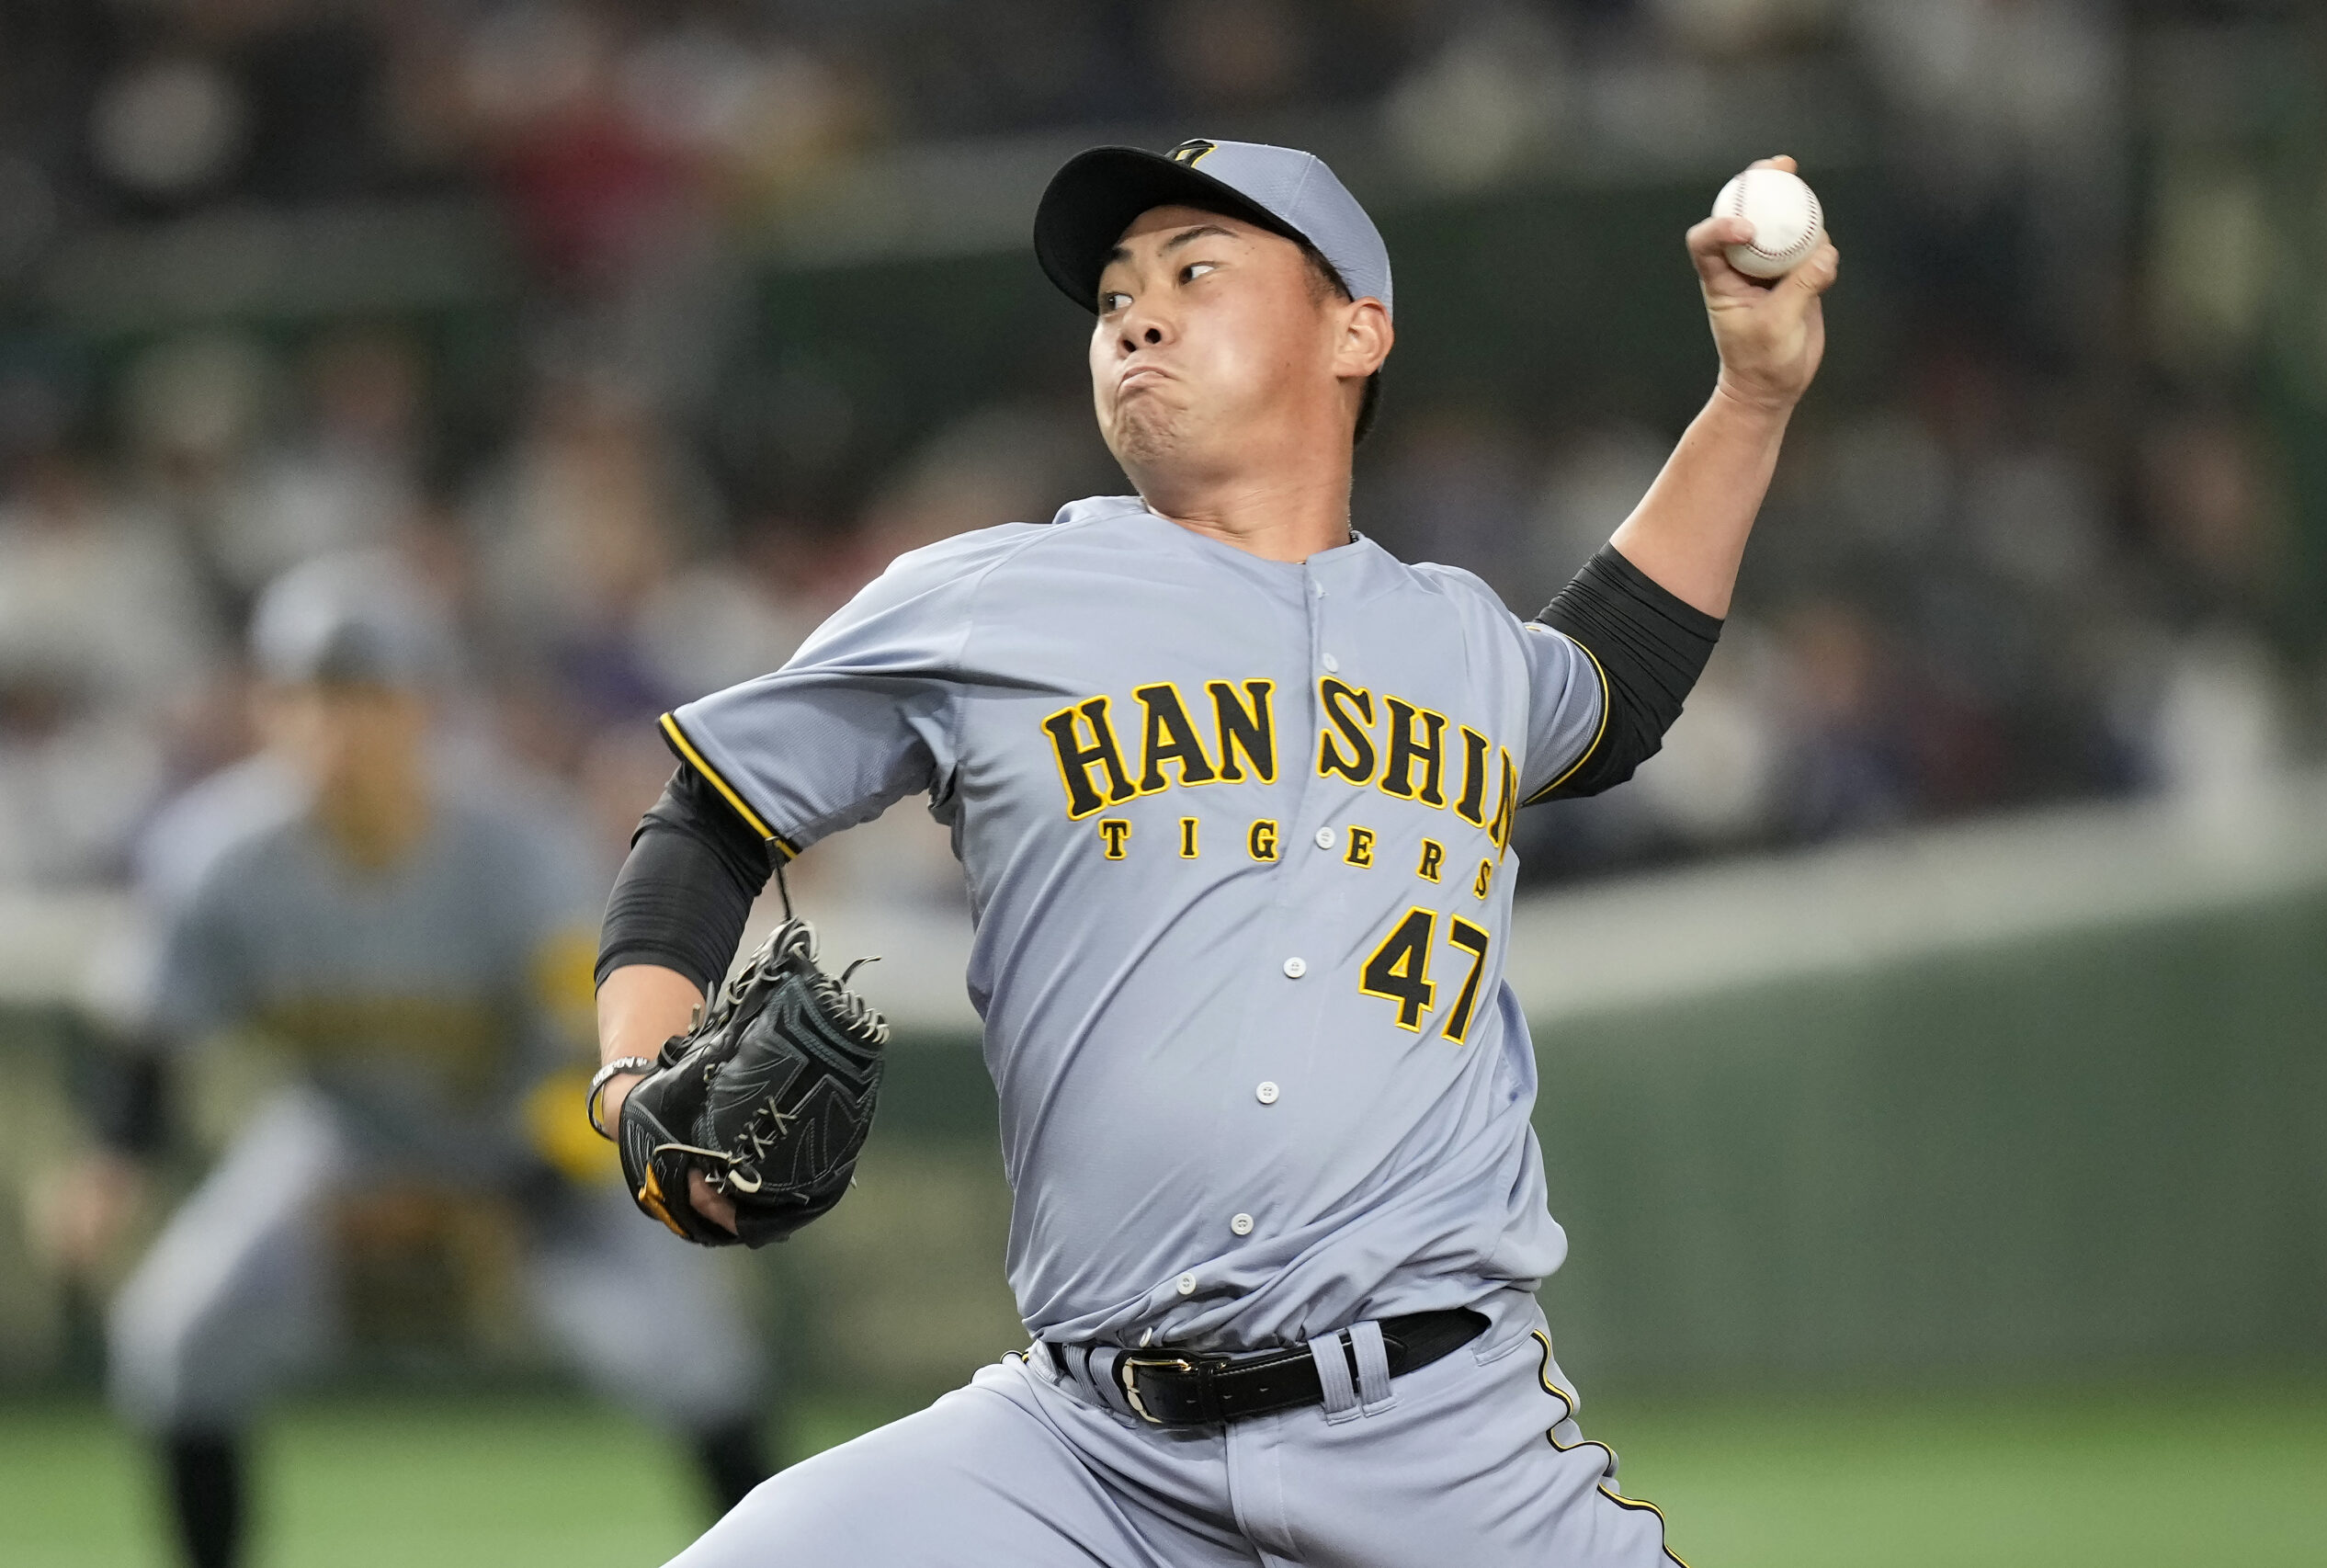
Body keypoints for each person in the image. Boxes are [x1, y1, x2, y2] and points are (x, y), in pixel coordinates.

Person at [593, 139, 1836, 1565]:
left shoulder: (1462, 645)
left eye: (1196, 270)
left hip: (1442, 1437)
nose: (1135, 312)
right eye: (1115, 293)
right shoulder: (992, 597)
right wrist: (637, 1073)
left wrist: (1751, 394)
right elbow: (709, 813)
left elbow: (1615, 686)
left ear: (1355, 329)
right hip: (1086, 1450)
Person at [74, 554, 774, 1568]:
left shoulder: (517, 848)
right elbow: (151, 1020)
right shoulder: (219, 853)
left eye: (365, 696)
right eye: (309, 696)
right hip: (342, 1149)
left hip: (538, 1151)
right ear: (268, 708)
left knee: (697, 1356)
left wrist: (501, 1193)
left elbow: (604, 1056)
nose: (336, 727)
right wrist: (113, 1156)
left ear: (422, 709)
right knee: (173, 1337)